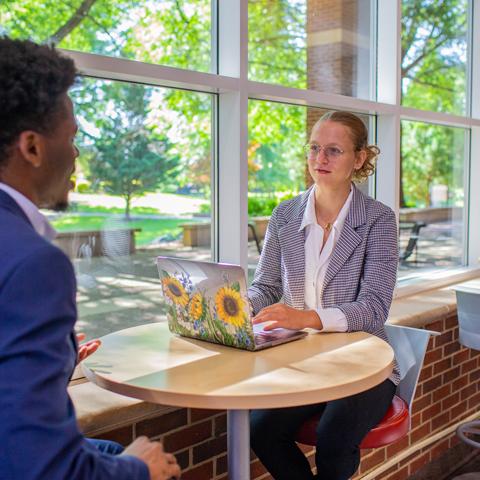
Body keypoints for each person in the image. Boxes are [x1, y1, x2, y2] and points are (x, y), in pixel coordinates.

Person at [0, 37, 180, 480]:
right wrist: (138, 469)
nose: (77, 153)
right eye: (73, 136)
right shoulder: (34, 264)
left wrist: (59, 356)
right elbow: (44, 468)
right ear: (33, 147)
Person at [248, 111, 400, 480]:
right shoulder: (285, 214)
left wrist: (304, 318)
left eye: (333, 150)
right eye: (314, 148)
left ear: (359, 158)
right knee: (260, 430)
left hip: (366, 364)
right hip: (305, 360)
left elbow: (374, 307)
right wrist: (234, 306)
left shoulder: (379, 220)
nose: (319, 159)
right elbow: (266, 286)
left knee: (333, 436)